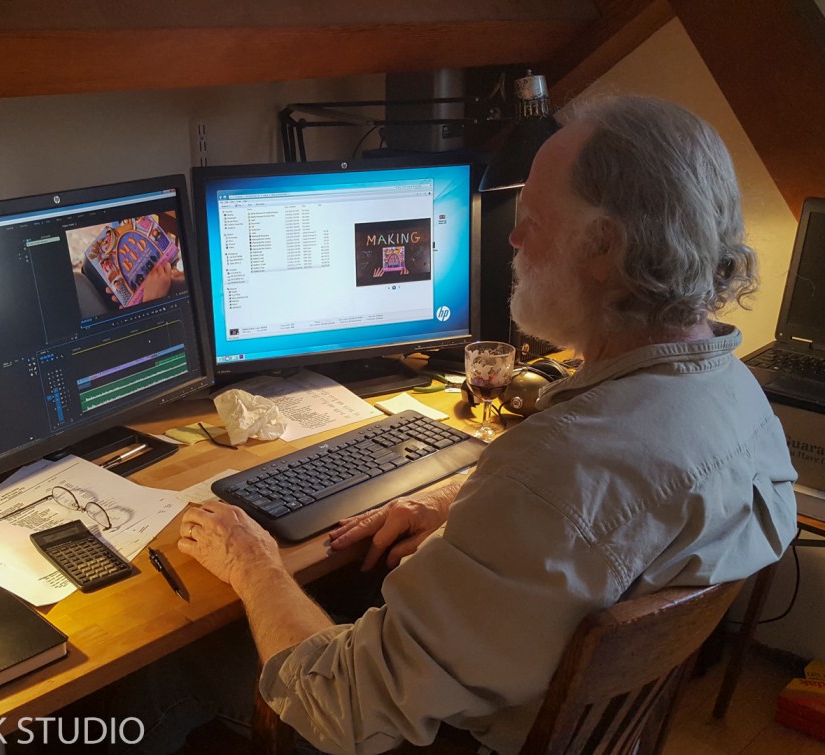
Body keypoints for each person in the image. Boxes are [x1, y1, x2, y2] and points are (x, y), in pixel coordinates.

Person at [173, 95, 798, 755]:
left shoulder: (556, 468)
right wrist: (457, 500)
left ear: (603, 246)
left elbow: (340, 707)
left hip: (453, 739)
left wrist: (253, 563)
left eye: (531, 219)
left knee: (175, 665)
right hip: (590, 729)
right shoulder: (739, 394)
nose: (513, 239)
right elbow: (596, 516)